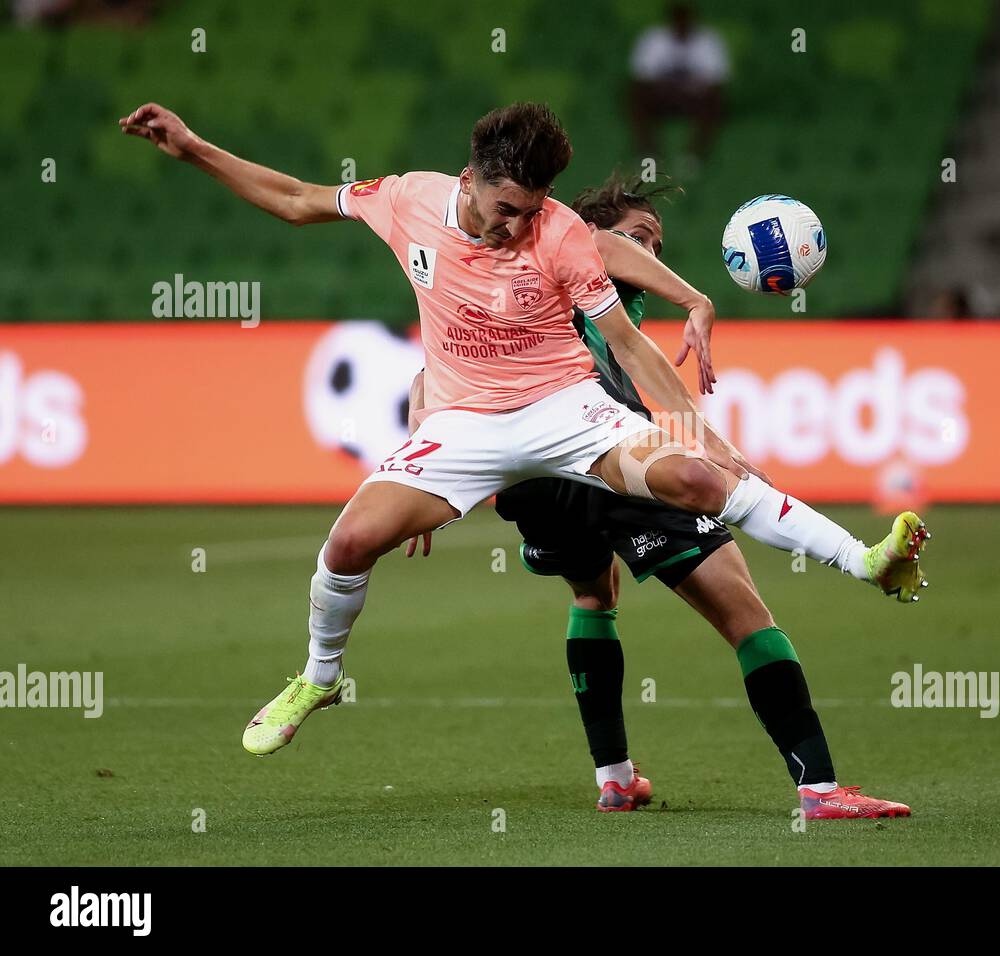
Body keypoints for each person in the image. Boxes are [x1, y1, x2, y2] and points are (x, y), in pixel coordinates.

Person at [118, 102, 928, 814]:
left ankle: (865, 562)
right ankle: (320, 677)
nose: (516, 226)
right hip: (465, 426)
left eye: (530, 211)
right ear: (468, 180)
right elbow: (296, 200)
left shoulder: (563, 233)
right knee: (349, 543)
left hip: (563, 411)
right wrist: (192, 147)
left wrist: (695, 431)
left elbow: (628, 347)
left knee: (695, 479)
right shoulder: (406, 199)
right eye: (506, 207)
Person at [404, 173, 926, 817]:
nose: (649, 253)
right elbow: (602, 243)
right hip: (593, 447)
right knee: (747, 616)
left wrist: (419, 462)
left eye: (658, 242)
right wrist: (696, 299)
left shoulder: (509, 281)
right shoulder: (575, 244)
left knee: (594, 593)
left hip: (533, 482)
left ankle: (616, 779)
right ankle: (820, 788)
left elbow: (430, 372)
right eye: (642, 237)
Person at [628, 2, 728, 169]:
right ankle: (649, 152)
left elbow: (716, 83)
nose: (681, 25)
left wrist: (684, 90)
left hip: (694, 98)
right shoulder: (653, 39)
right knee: (636, 97)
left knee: (716, 101)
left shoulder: (708, 41)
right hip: (663, 97)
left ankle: (694, 155)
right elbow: (641, 79)